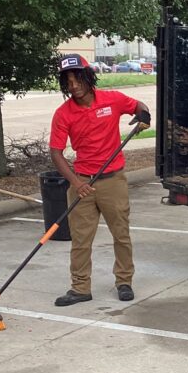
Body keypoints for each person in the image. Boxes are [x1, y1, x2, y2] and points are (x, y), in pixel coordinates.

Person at [49, 54, 150, 307]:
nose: (73, 86)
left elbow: (140, 106)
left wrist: (143, 118)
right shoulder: (63, 114)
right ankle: (80, 287)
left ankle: (124, 282)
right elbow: (56, 153)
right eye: (68, 81)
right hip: (82, 182)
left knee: (121, 234)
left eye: (77, 79)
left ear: (88, 76)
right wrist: (75, 182)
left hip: (113, 180)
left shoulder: (112, 99)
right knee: (81, 240)